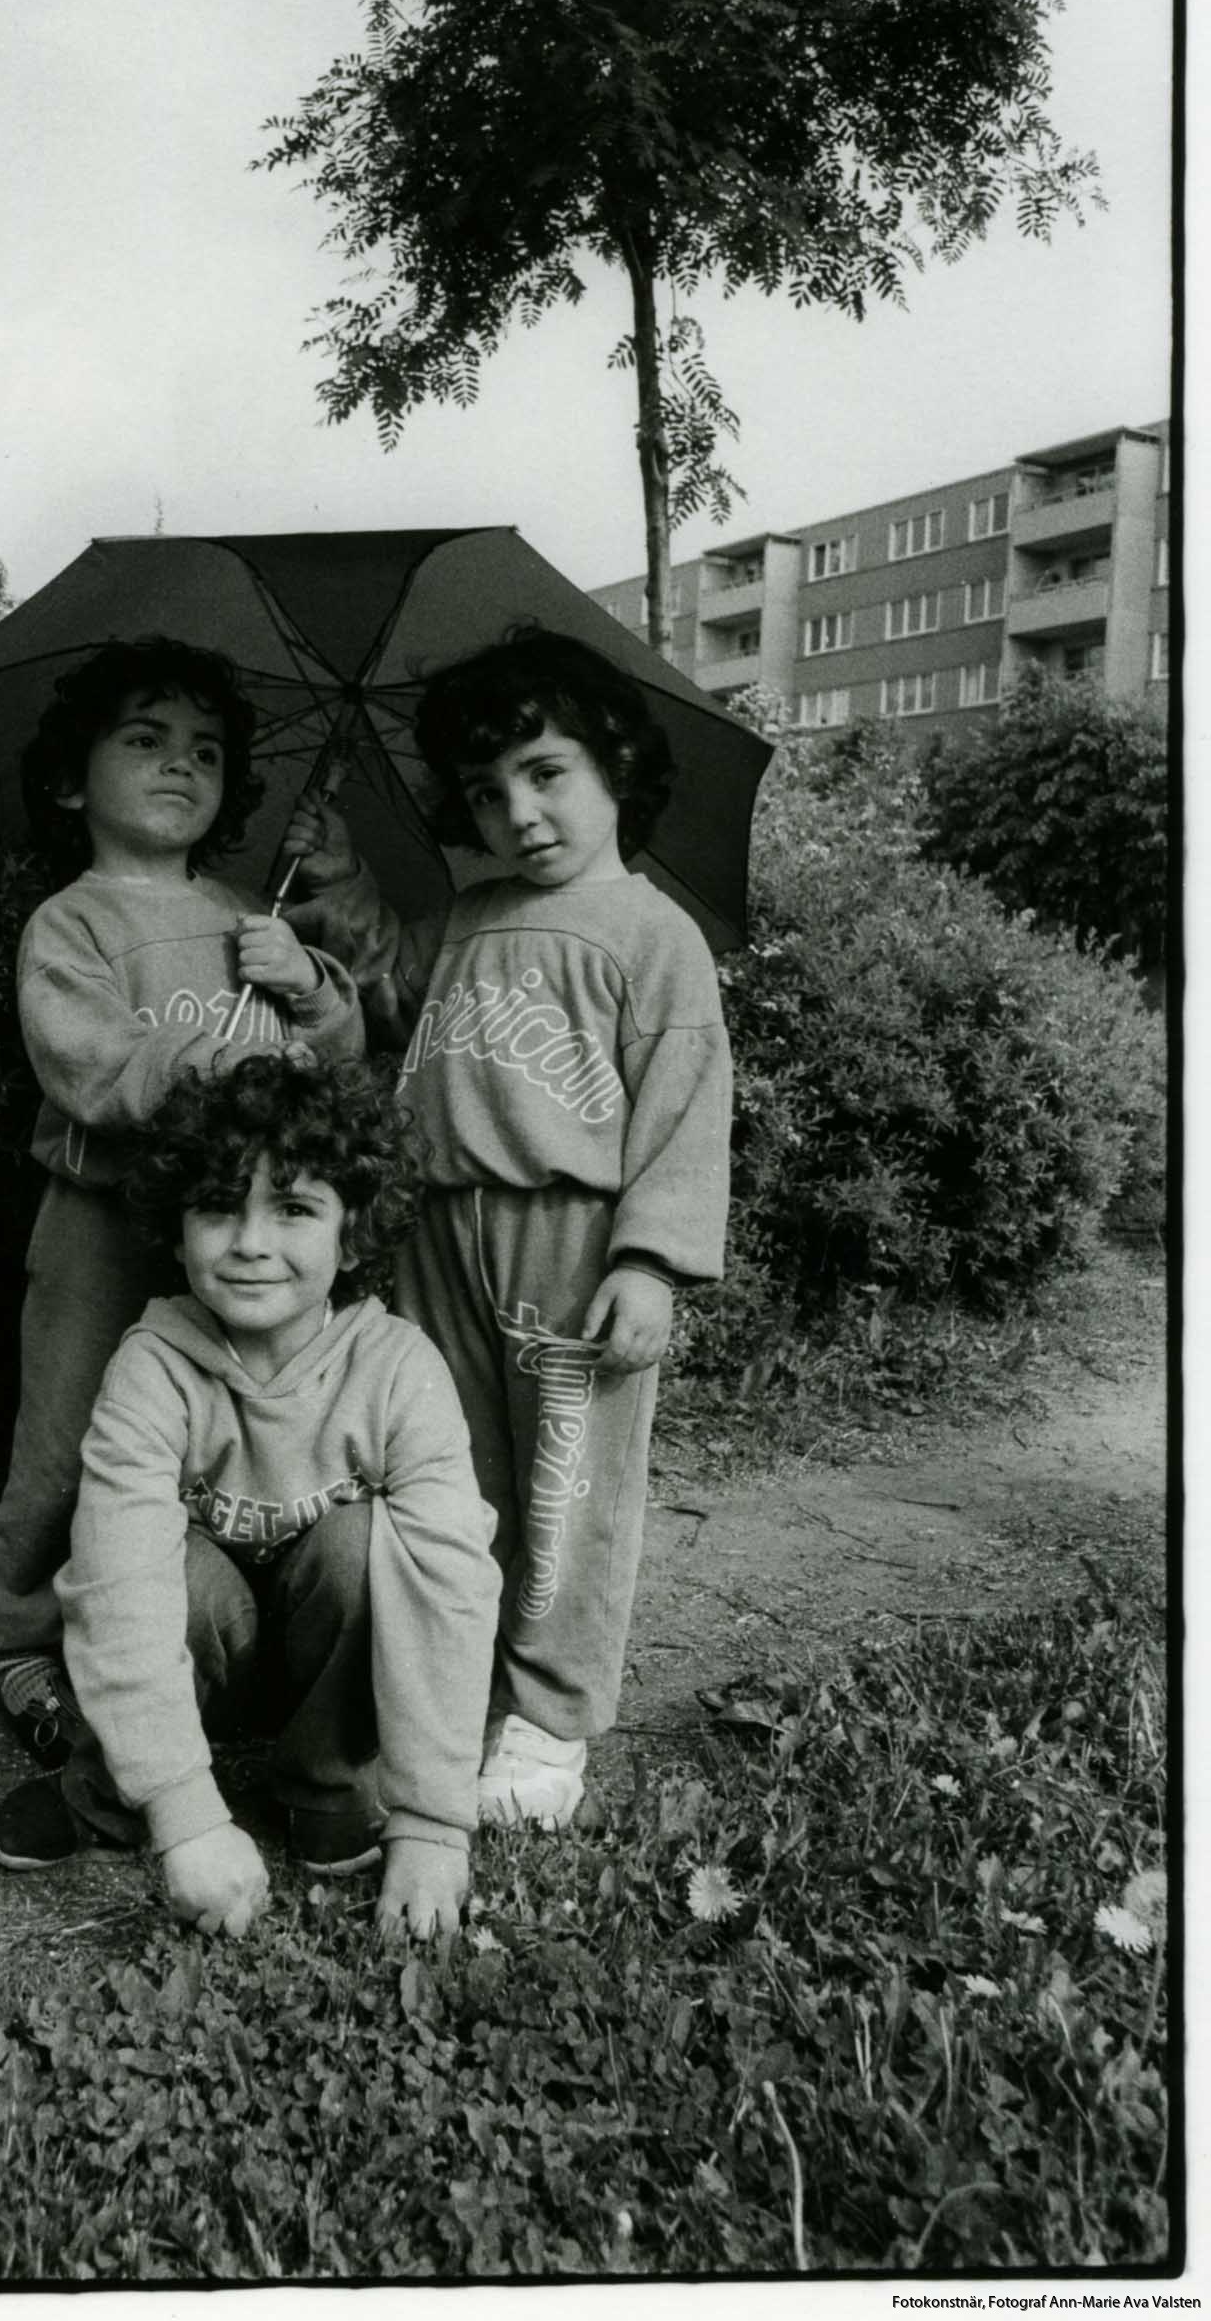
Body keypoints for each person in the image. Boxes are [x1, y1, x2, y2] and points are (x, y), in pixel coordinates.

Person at [283, 625, 732, 1832]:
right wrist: (329, 878)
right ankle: (451, 1679)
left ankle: (550, 1713)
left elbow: (687, 1113)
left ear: (615, 765)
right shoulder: (468, 915)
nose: (520, 811)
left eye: (547, 773)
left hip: (572, 1242)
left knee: (567, 1490)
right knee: (448, 1471)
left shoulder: (654, 933)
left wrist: (650, 1263)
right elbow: (378, 989)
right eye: (487, 791)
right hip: (439, 1232)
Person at [0, 1054, 502, 1942]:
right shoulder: (152, 1365)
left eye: (293, 1208)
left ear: (351, 1233)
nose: (250, 1241)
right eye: (219, 1207)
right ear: (178, 1230)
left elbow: (448, 1585)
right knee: (164, 1565)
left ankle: (329, 1783)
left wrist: (433, 1820)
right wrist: (182, 1810)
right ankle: (108, 1786)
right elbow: (117, 1581)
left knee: (364, 1545)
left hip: (322, 1670)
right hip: (196, 1657)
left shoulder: (397, 1368)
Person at [0, 638, 365, 1771]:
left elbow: (334, 1064)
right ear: (70, 778)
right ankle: (23, 1639)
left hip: (238, 1244)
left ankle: (190, 1634)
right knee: (67, 1438)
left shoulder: (253, 913)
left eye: (205, 750)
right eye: (143, 740)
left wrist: (310, 984)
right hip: (105, 1230)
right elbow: (89, 1061)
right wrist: (231, 1072)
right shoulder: (73, 922)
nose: (178, 765)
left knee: (223, 1433)